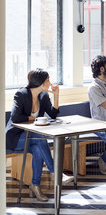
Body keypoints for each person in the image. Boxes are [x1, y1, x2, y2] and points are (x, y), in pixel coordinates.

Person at [6, 69, 73, 202]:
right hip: (14, 137)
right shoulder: (21, 94)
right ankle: (56, 173)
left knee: (38, 148)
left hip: (32, 139)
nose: (50, 83)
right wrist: (32, 118)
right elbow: (15, 117)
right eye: (48, 80)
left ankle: (35, 186)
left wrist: (56, 95)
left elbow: (53, 114)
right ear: (41, 83)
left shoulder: (43, 96)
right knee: (40, 138)